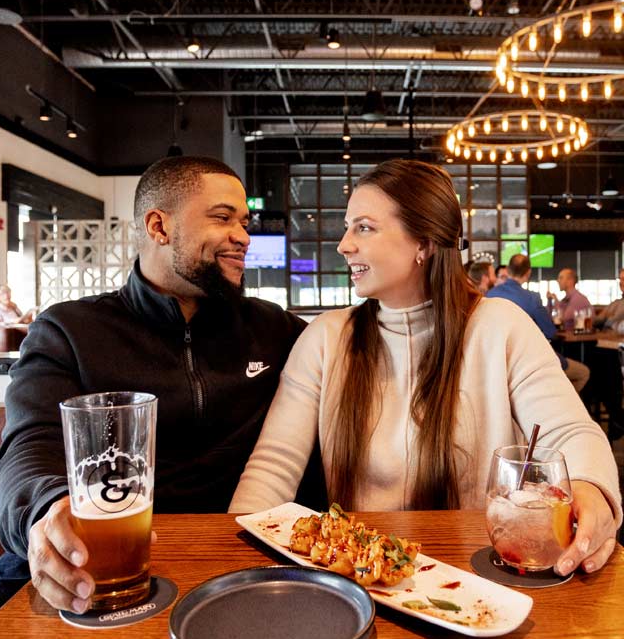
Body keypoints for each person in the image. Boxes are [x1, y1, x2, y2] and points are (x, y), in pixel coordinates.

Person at [230, 159, 622, 579]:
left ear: (424, 243)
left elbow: (570, 431)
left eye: (363, 227)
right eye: (348, 227)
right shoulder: (326, 338)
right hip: (359, 578)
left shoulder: (499, 326)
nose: (344, 244)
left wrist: (591, 487)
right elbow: (272, 467)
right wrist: (235, 565)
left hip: (476, 580)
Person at [0, 155, 308, 619]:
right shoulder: (70, 332)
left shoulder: (274, 329)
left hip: (236, 565)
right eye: (222, 218)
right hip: (94, 566)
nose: (243, 236)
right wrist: (45, 511)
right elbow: (28, 448)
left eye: (244, 221)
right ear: (159, 226)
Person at [487, 254, 590, 394]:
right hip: (528, 361)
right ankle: (557, 409)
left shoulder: (489, 295)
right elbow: (550, 332)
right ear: (528, 273)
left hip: (496, 362)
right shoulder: (532, 298)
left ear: (509, 271)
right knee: (582, 373)